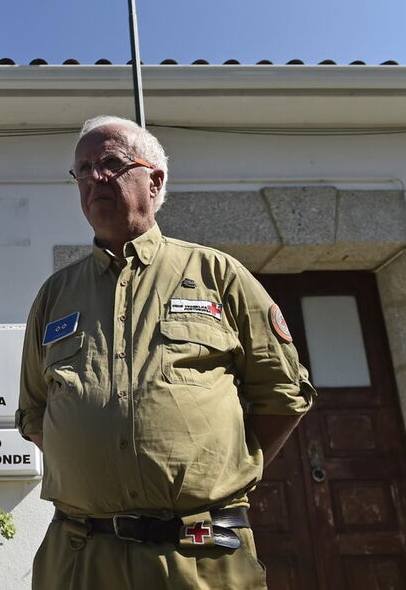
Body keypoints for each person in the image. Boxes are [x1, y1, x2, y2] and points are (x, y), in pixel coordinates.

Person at [16, 115, 314, 589]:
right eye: (84, 169)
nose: (95, 177)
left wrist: (219, 469)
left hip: (198, 554)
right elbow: (34, 412)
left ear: (154, 181)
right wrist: (94, 466)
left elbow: (283, 394)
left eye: (112, 163)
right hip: (80, 555)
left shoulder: (218, 275)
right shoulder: (55, 295)